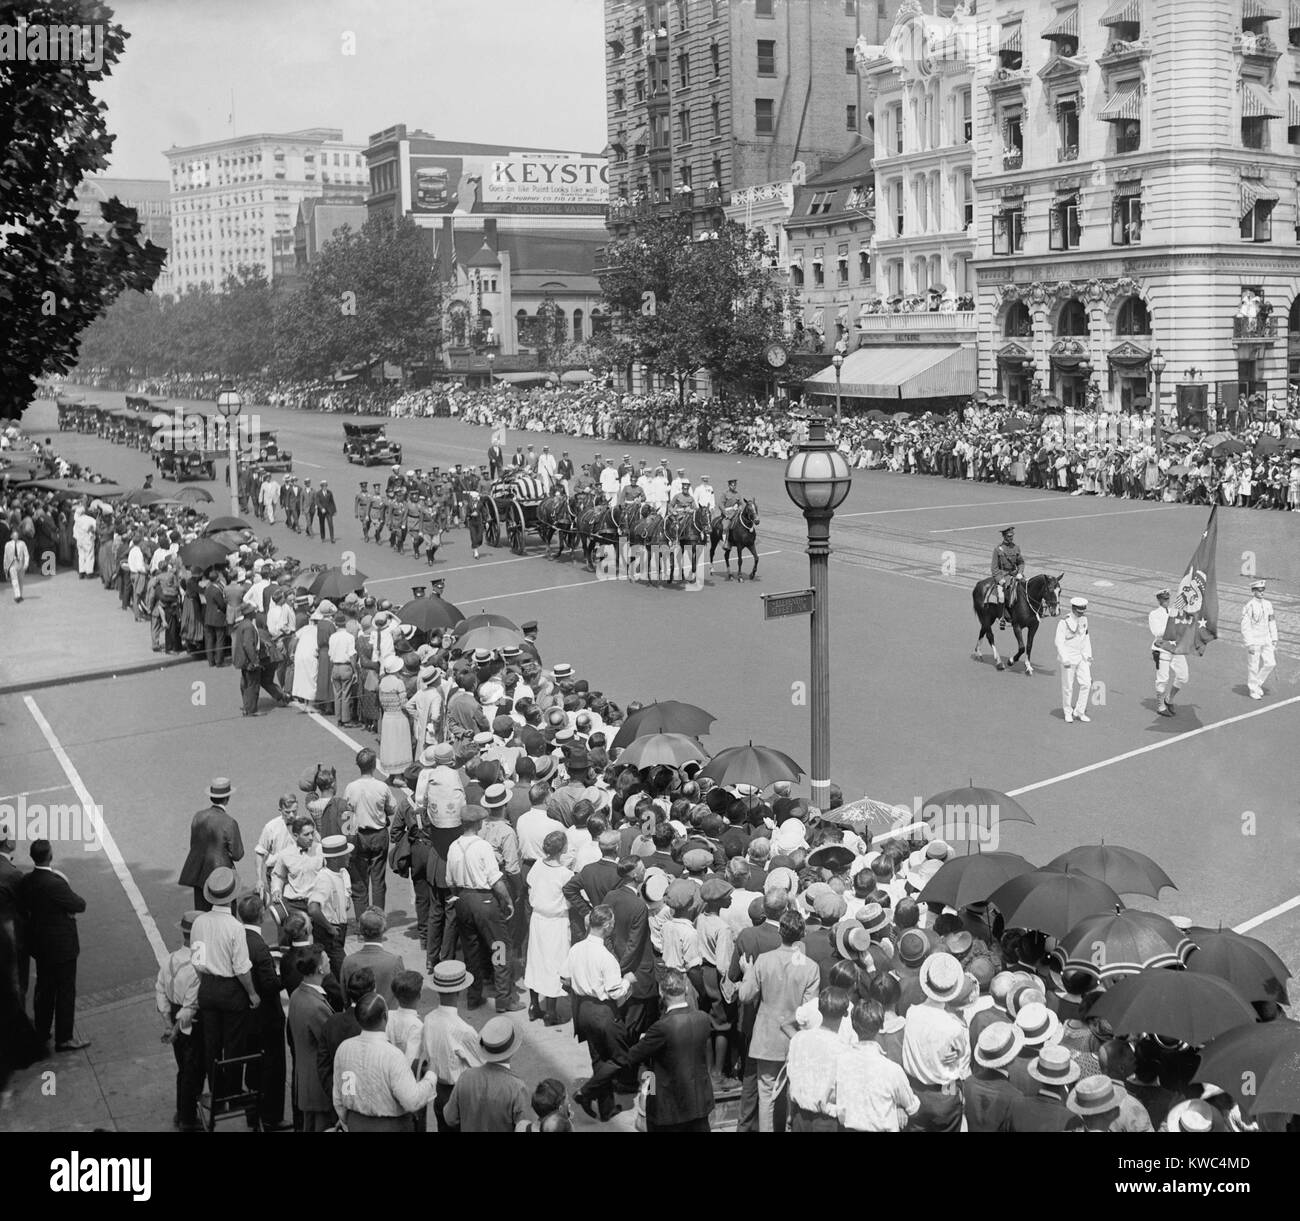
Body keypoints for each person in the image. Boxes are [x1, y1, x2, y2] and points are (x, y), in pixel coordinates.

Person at [739, 906, 820, 1132]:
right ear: (801, 935)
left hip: (766, 1039)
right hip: (795, 1040)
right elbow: (809, 1011)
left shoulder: (764, 961)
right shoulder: (810, 967)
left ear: (780, 932)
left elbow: (745, 996)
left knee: (766, 1096)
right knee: (791, 1095)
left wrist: (747, 971)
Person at [189, 868, 260, 1105]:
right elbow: (241, 967)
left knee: (212, 1044)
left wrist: (207, 983)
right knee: (234, 1045)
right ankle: (232, 1092)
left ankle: (216, 1090)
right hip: (231, 990)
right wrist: (252, 993)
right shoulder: (234, 926)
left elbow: (197, 961)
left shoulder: (199, 922)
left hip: (207, 987)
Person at [561, 903, 631, 1123]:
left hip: (582, 1009)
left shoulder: (576, 949)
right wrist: (627, 982)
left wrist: (579, 987)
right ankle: (586, 1092)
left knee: (599, 1059)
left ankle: (607, 1107)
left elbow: (564, 978)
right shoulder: (606, 957)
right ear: (608, 925)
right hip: (603, 1011)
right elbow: (614, 991)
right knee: (621, 1058)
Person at [448, 804, 521, 1012]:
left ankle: (473, 996)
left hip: (462, 900)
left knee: (472, 951)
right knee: (500, 948)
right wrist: (507, 900)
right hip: (484, 900)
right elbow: (496, 880)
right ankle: (503, 1000)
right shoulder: (482, 847)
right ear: (479, 823)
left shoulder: (454, 847)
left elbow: (450, 880)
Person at [19, 839, 90, 1053]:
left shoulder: (26, 881)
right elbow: (79, 904)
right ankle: (64, 1038)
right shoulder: (55, 883)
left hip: (41, 946)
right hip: (62, 946)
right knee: (65, 992)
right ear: (50, 856)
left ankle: (41, 1031)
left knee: (44, 989)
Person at [331, 993, 438, 1132]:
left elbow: (338, 1097)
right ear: (385, 1017)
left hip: (355, 1122)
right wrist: (431, 1075)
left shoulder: (343, 1049)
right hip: (391, 1126)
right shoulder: (393, 1055)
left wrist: (349, 1121)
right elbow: (412, 1101)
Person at [238, 892, 291, 1130]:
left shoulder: (238, 939)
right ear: (261, 915)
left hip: (246, 1017)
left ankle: (252, 1112)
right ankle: (271, 1115)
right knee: (273, 1067)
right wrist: (284, 976)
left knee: (253, 1066)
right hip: (267, 1018)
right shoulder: (259, 947)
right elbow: (270, 985)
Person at [834, 999, 921, 1132]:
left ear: (853, 1025)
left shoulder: (841, 1063)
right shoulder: (891, 1070)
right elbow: (912, 1107)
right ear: (881, 1026)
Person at [419, 960, 484, 1132]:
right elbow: (481, 1064)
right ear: (461, 990)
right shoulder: (463, 1030)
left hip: (439, 1092)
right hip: (459, 1095)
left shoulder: (428, 1019)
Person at [156, 909, 203, 1130]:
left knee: (183, 1067)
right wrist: (176, 1027)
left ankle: (183, 1111)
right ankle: (187, 1119)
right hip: (190, 1021)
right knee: (193, 1070)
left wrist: (167, 1021)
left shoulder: (170, 960)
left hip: (175, 1013)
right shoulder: (198, 966)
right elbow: (192, 1004)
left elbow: (160, 991)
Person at [444, 1016, 531, 1132]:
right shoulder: (517, 1088)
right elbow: (523, 1127)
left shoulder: (466, 1077)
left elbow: (450, 1118)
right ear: (512, 1050)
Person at [286, 944, 338, 1131]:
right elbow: (330, 1043)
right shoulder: (316, 1006)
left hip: (305, 1080)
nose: (330, 960)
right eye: (326, 959)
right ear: (320, 968)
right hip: (318, 1084)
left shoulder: (296, 995)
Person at [524, 829, 573, 1026]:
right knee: (555, 964)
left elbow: (530, 887)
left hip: (538, 919)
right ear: (562, 849)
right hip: (556, 921)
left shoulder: (536, 865)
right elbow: (570, 899)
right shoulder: (565, 874)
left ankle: (534, 1005)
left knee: (535, 961)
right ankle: (550, 1013)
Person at [178, 777, 244, 912]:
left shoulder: (198, 816)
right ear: (227, 798)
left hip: (200, 874)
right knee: (225, 916)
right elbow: (237, 854)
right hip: (221, 877)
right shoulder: (229, 822)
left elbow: (194, 845)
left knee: (202, 914)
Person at [308, 835, 354, 978]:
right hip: (330, 933)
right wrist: (329, 928)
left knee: (334, 973)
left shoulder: (341, 873)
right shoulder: (324, 879)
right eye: (345, 854)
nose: (349, 856)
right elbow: (313, 909)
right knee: (343, 972)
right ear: (335, 858)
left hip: (336, 929)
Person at [341, 909, 402, 1004]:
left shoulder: (348, 961)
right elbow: (403, 993)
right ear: (384, 929)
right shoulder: (394, 961)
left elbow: (345, 997)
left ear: (361, 931)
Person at [1148, 587, 1188, 718]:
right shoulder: (1154, 614)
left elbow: (1182, 626)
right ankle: (1160, 705)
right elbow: (1157, 632)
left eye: (1167, 598)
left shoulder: (1173, 611)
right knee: (1163, 678)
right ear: (1159, 600)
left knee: (1183, 676)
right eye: (1163, 599)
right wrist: (1172, 625)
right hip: (1162, 648)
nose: (1166, 601)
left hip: (1175, 647)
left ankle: (1169, 699)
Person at [1055, 597, 1093, 724]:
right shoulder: (1064, 622)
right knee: (1068, 686)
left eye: (1083, 611)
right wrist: (1064, 658)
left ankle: (1079, 711)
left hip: (1081, 656)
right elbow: (1059, 642)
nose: (1081, 614)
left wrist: (1088, 656)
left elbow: (1086, 639)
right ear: (1073, 609)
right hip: (1069, 658)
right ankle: (1068, 711)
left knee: (1086, 683)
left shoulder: (1084, 620)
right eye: (1079, 611)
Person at [1241, 579, 1278, 700]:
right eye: (1259, 590)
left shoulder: (1268, 604)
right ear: (1254, 591)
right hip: (1255, 640)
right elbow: (1245, 627)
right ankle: (1252, 689)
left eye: (1263, 590)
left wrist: (1274, 638)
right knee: (1253, 665)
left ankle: (1257, 684)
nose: (1262, 593)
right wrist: (1249, 643)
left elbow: (1272, 622)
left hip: (1266, 638)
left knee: (1271, 663)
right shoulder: (1249, 606)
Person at [990, 526, 1024, 625]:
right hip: (1003, 576)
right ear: (1004, 536)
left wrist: (1020, 573)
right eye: (1009, 536)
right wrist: (999, 579)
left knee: (1027, 587)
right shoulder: (998, 549)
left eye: (1012, 536)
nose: (1011, 538)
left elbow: (1021, 562)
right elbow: (994, 568)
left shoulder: (1016, 548)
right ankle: (1001, 618)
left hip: (1015, 575)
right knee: (1001, 596)